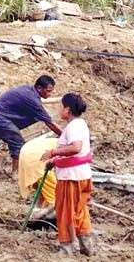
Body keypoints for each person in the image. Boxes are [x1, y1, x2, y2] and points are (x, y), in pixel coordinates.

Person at [0, 75, 63, 178]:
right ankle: (15, 175)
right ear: (39, 88)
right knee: (19, 144)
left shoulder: (27, 90)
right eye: (48, 91)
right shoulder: (33, 100)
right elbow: (50, 123)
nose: (50, 94)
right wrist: (65, 136)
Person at [42, 93, 94, 255]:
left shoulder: (74, 127)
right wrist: (56, 160)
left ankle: (67, 247)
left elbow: (76, 148)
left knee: (65, 211)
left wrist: (53, 152)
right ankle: (87, 245)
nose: (59, 110)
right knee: (80, 210)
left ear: (68, 110)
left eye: (61, 107)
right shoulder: (80, 124)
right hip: (81, 175)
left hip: (71, 177)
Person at [19, 135, 59, 217]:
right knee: (55, 195)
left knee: (42, 190)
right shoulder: (70, 146)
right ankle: (39, 216)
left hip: (27, 156)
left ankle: (35, 211)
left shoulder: (55, 141)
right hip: (37, 159)